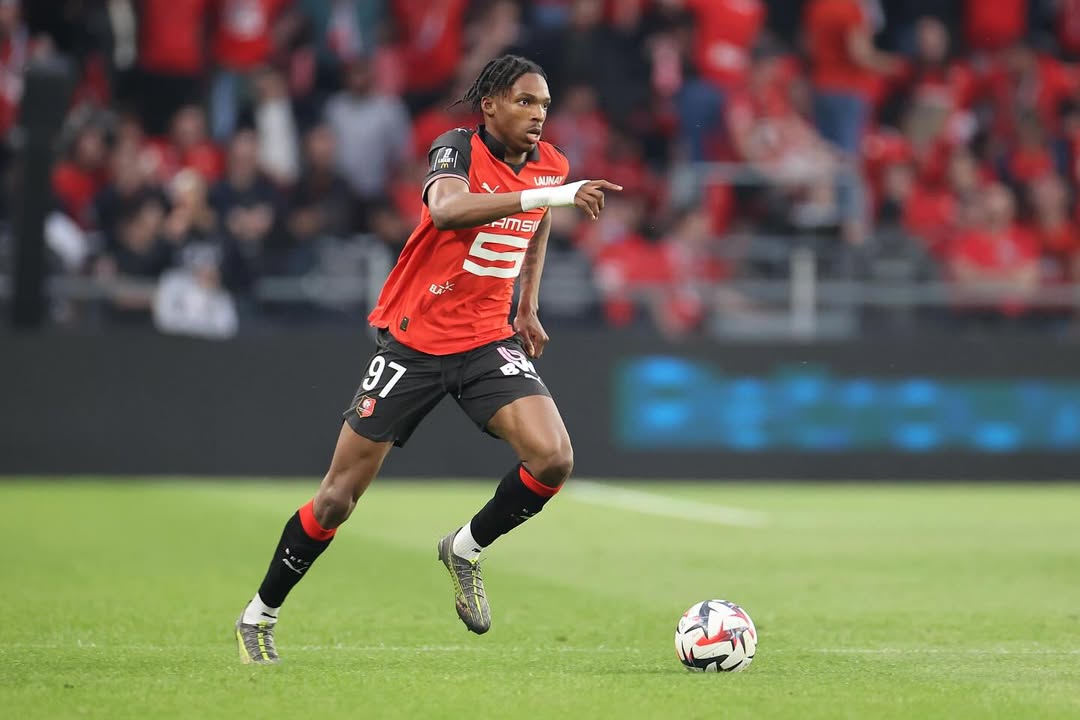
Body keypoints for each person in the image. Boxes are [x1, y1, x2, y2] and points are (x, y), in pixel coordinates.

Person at [234, 54, 621, 664]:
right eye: (525, 101)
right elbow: (446, 210)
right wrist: (557, 193)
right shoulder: (455, 150)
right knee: (337, 498)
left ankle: (464, 547)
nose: (538, 114)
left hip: (486, 340)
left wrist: (528, 305)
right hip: (414, 342)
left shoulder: (551, 167)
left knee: (553, 458)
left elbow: (539, 218)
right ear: (490, 104)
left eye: (544, 104)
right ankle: (259, 614)